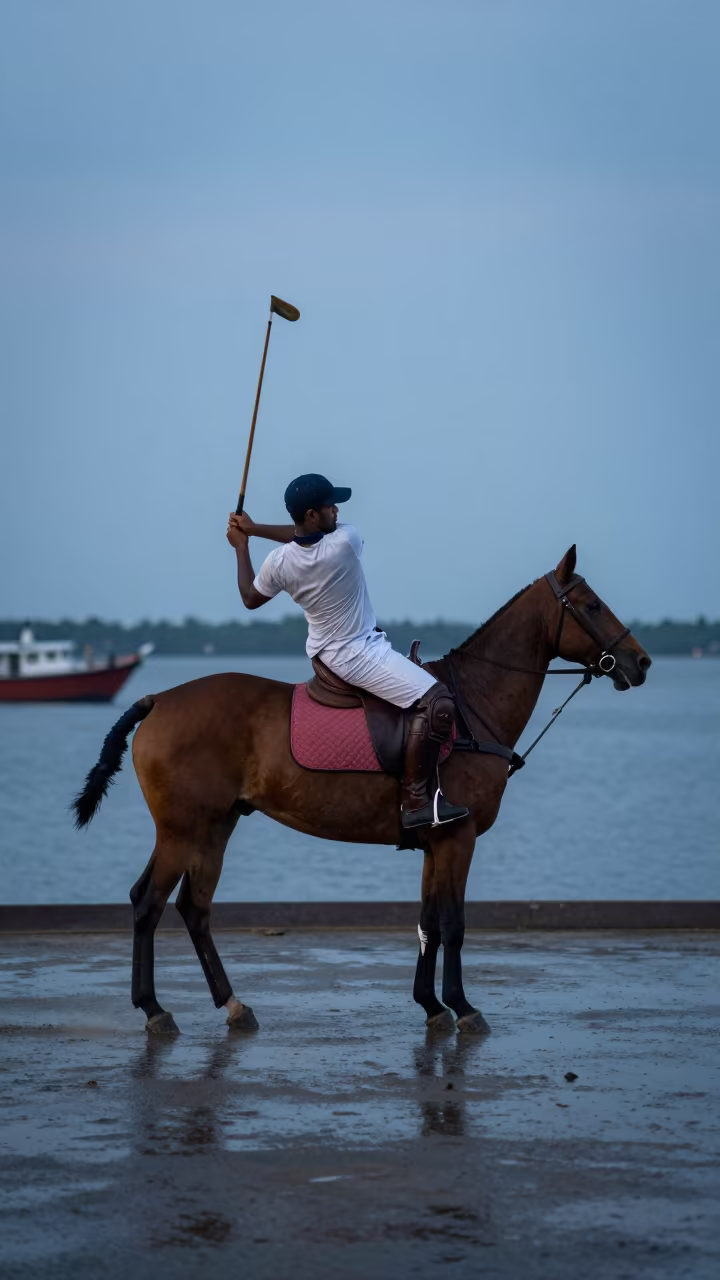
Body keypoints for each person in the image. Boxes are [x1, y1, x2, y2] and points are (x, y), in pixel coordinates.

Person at [226, 474, 468, 830]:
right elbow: (305, 536)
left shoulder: (278, 563)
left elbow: (249, 597)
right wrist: (256, 528)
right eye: (329, 506)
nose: (337, 510)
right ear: (311, 515)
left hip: (325, 653)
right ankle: (416, 800)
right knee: (439, 702)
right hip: (357, 654)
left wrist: (242, 543)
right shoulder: (346, 541)